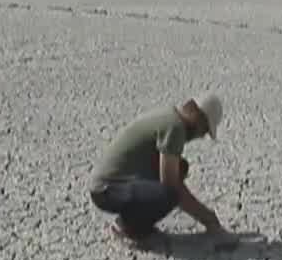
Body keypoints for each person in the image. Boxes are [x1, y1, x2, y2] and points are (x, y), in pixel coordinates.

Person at [86, 95, 227, 246]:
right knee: (169, 194)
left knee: (180, 168)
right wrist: (208, 218)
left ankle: (136, 222)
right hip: (107, 191)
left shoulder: (169, 116)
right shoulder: (175, 128)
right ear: (197, 117)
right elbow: (172, 186)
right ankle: (129, 227)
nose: (201, 136)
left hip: (106, 186)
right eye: (204, 129)